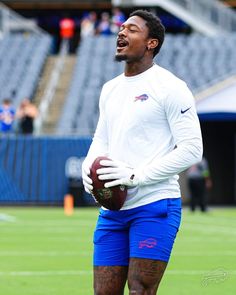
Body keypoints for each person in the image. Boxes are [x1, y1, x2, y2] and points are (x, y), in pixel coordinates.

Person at [82, 10, 203, 294]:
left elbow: (192, 148)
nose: (122, 32)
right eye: (121, 28)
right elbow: (102, 137)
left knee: (141, 290)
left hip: (154, 205)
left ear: (152, 43)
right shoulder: (110, 89)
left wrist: (138, 175)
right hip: (112, 209)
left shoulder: (171, 87)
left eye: (132, 29)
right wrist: (88, 166)